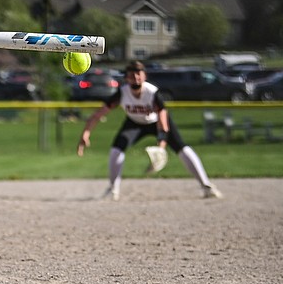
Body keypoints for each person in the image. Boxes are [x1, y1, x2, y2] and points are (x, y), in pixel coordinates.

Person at [76, 60, 222, 200]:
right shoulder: (122, 93)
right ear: (126, 78)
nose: (135, 78)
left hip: (155, 122)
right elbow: (98, 114)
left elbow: (163, 122)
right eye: (132, 75)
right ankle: (113, 189)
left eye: (138, 74)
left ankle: (206, 185)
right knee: (116, 150)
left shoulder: (152, 93)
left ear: (144, 76)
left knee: (182, 148)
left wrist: (161, 147)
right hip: (134, 123)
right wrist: (86, 133)